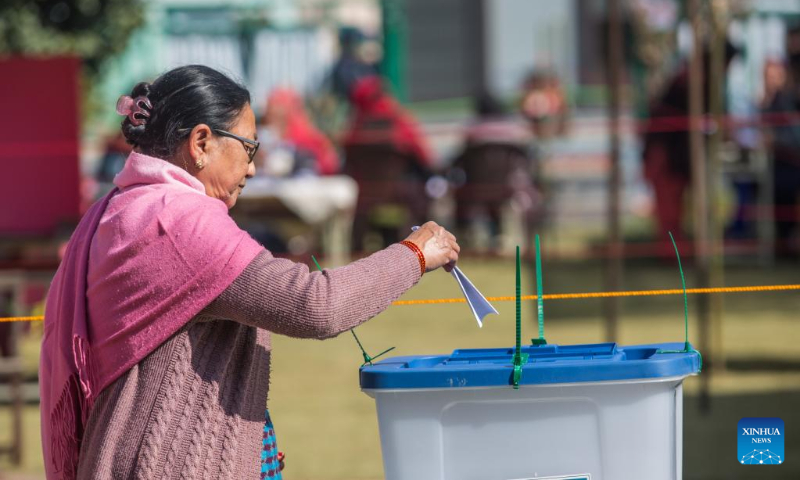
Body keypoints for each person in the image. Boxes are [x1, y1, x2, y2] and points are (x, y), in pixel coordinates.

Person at [39, 65, 460, 480]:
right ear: (201, 142)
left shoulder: (118, 207)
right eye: (249, 148)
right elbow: (315, 305)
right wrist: (415, 253)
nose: (253, 168)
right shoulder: (178, 221)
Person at [259, 87, 339, 177]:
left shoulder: (307, 137)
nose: (271, 110)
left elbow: (328, 164)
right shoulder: (265, 134)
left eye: (276, 104)